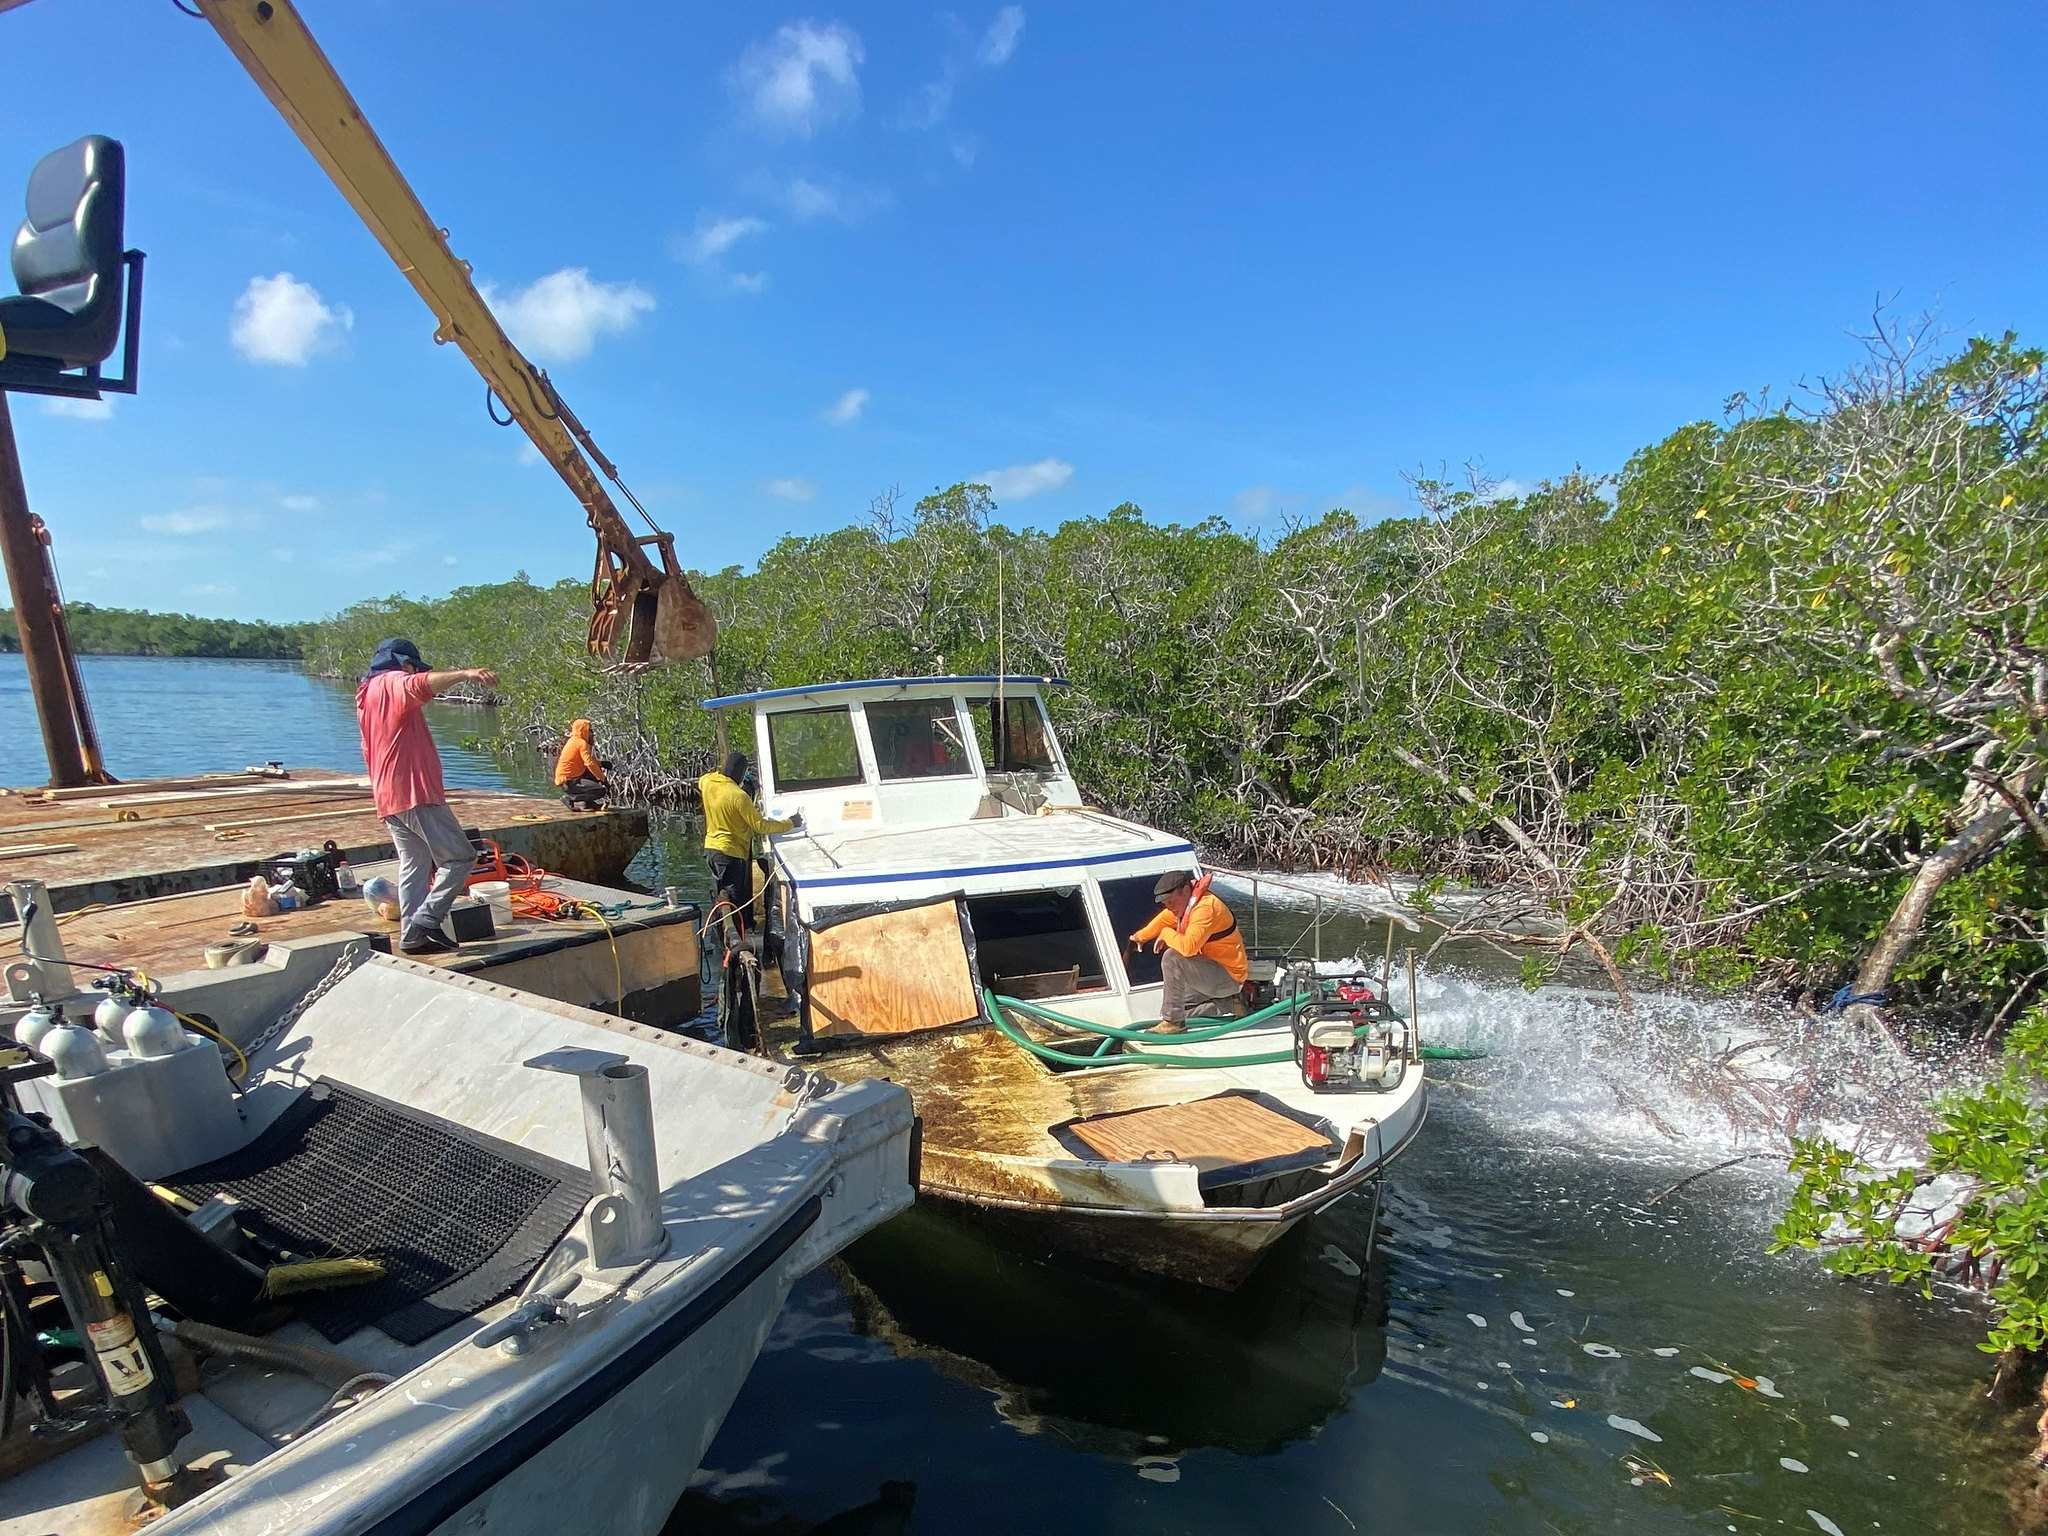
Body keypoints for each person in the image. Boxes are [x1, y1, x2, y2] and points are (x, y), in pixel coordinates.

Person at [355, 637, 498, 955]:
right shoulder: (392, 682)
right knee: (460, 857)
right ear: (400, 664)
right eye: (411, 666)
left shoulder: (365, 694)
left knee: (415, 863)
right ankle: (425, 921)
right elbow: (420, 684)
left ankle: (412, 934)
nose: (412, 671)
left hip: (388, 795)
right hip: (414, 792)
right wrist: (466, 673)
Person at [1129, 869, 1249, 1033]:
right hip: (1209, 973)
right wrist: (1140, 937)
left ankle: (1173, 1024)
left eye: (1171, 902)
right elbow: (1165, 918)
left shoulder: (1205, 909)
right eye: (1166, 904)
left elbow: (1189, 947)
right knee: (1178, 1007)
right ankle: (1229, 1003)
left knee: (1172, 957)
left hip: (1229, 977)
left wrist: (1166, 933)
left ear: (1186, 890)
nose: (1169, 907)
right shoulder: (1185, 905)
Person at [698, 750, 800, 935]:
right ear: (741, 773)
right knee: (738, 903)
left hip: (711, 850)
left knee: (722, 894)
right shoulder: (739, 796)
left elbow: (702, 780)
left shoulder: (708, 781)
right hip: (731, 854)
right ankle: (743, 938)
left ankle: (723, 932)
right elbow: (760, 825)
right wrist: (790, 823)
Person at [554, 718, 610, 810]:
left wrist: (601, 764)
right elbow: (589, 763)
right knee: (600, 791)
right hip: (568, 781)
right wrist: (603, 779)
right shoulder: (581, 742)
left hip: (569, 780)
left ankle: (589, 803)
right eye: (590, 730)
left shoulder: (575, 741)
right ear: (582, 730)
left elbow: (588, 761)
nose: (592, 733)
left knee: (591, 773)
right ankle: (570, 799)